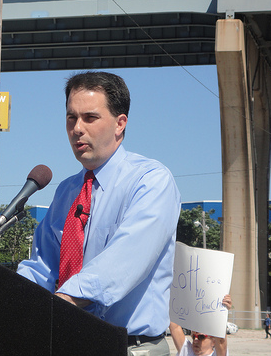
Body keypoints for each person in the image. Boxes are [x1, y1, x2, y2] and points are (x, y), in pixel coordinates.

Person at [17, 71, 181, 355]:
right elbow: (42, 267)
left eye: (89, 118)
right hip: (67, 342)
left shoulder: (151, 181)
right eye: (71, 117)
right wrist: (8, 297)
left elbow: (121, 264)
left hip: (131, 347)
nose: (77, 128)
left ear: (120, 124)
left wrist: (60, 304)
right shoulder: (66, 192)